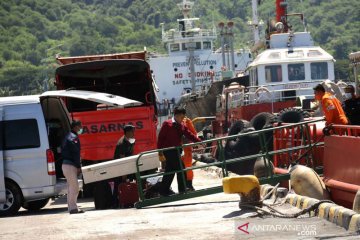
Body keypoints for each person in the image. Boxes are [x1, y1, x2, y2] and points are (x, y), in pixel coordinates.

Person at [156, 107, 202, 196]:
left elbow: (189, 134)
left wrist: (199, 141)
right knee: (181, 169)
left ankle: (163, 191)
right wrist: (160, 152)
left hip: (177, 151)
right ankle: (182, 189)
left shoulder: (181, 125)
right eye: (181, 117)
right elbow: (160, 138)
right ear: (177, 115)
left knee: (170, 171)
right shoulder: (167, 124)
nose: (182, 119)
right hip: (169, 151)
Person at [61, 120, 84, 214]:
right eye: (80, 126)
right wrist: (78, 166)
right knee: (75, 187)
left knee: (71, 187)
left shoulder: (67, 136)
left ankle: (72, 208)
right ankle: (73, 208)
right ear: (76, 127)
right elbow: (75, 153)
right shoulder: (73, 137)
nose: (81, 128)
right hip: (70, 165)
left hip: (66, 165)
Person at [112, 124, 136, 207]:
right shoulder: (122, 143)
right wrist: (124, 175)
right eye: (133, 131)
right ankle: (115, 203)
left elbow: (131, 153)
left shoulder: (131, 140)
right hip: (120, 167)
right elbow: (123, 161)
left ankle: (128, 200)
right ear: (128, 132)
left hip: (127, 166)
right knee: (119, 184)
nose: (134, 133)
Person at [181, 117, 197, 191]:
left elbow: (193, 134)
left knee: (187, 167)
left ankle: (189, 185)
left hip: (186, 149)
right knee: (182, 169)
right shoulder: (172, 123)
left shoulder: (187, 121)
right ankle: (184, 187)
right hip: (179, 149)